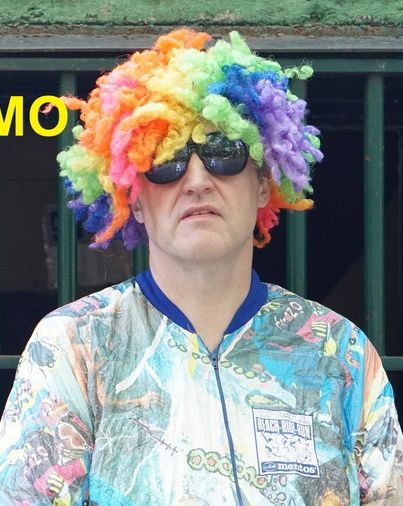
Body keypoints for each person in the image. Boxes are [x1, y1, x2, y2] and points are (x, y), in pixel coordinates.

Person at [0, 28, 402, 506]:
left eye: (223, 152)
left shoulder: (340, 351)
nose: (196, 180)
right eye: (165, 159)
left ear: (263, 184)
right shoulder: (73, 346)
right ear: (135, 199)